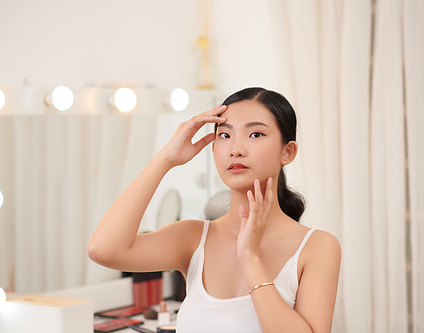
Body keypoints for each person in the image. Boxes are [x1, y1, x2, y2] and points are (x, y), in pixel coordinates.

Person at [87, 87, 341, 332]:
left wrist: (250, 258)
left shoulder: (317, 247)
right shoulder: (193, 237)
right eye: (225, 135)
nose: (236, 149)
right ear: (213, 148)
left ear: (288, 151)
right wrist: (165, 160)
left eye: (255, 135)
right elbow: (103, 250)